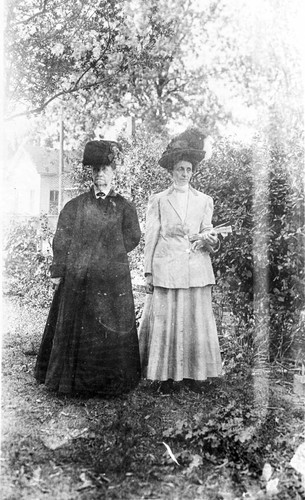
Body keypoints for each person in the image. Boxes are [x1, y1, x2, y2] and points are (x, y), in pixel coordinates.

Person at [35, 140, 141, 396]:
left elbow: (133, 237)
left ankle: (108, 384)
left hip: (111, 281)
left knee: (108, 329)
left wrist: (109, 255)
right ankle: (76, 383)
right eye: (96, 170)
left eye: (105, 169)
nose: (100, 175)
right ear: (91, 173)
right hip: (79, 280)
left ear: (114, 172)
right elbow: (61, 239)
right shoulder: (76, 206)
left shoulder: (124, 207)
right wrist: (60, 269)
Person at [139, 128, 222, 394]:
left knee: (196, 321)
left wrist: (209, 240)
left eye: (188, 169)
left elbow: (209, 233)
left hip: (197, 267)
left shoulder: (204, 200)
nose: (184, 174)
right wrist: (148, 272)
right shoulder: (159, 201)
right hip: (168, 267)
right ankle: (164, 377)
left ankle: (196, 375)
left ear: (192, 171)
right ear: (171, 171)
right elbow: (151, 237)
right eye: (180, 169)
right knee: (168, 322)